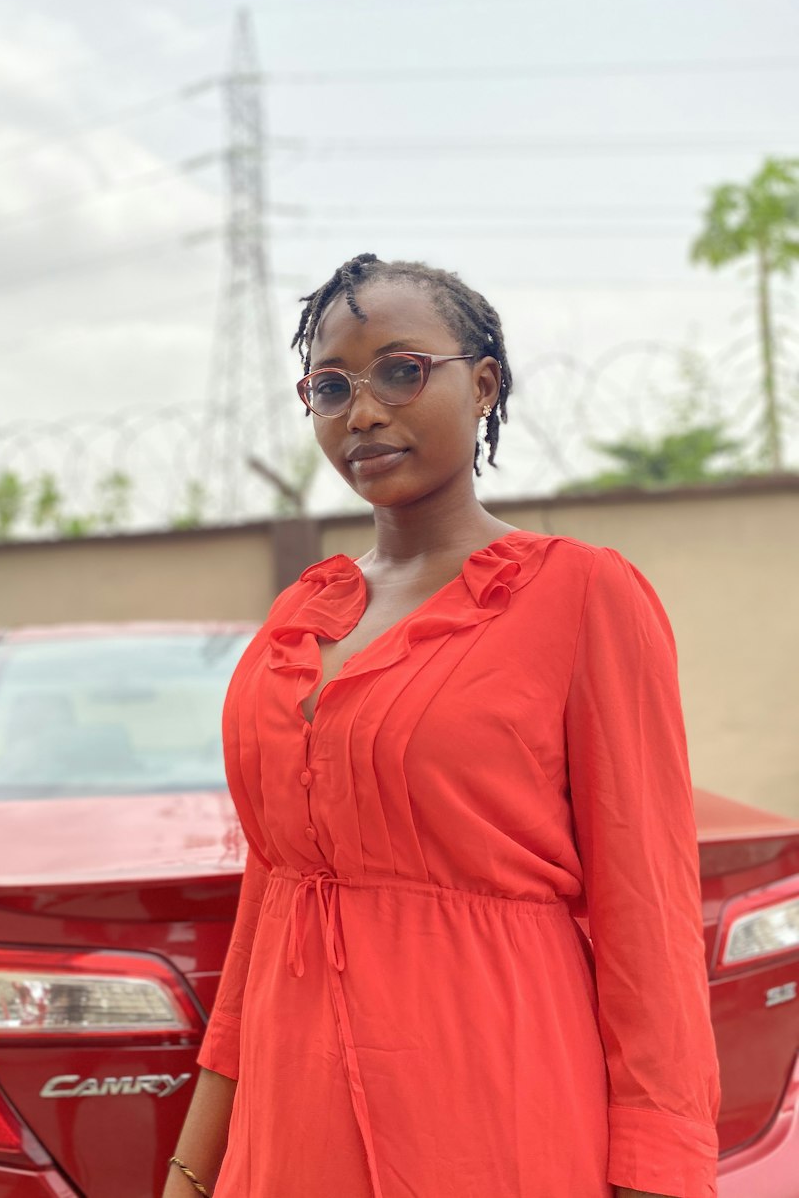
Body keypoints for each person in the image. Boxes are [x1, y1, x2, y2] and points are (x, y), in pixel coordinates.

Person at [163, 254, 721, 1198]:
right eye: (330, 386)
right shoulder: (303, 612)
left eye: (401, 369)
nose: (363, 411)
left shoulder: (581, 597)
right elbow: (274, 894)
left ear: (485, 382)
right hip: (290, 1125)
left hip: (493, 1107)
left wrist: (657, 1175)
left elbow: (650, 919)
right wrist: (195, 1163)